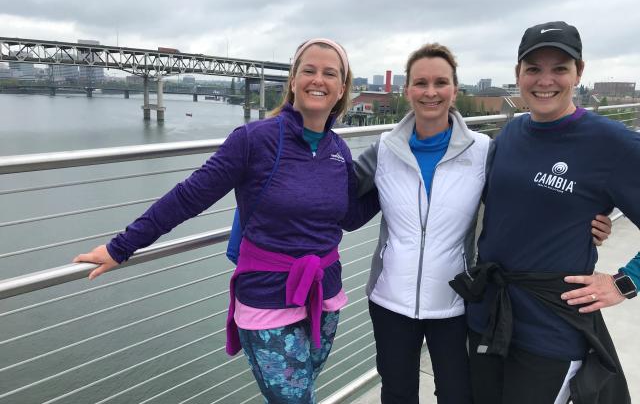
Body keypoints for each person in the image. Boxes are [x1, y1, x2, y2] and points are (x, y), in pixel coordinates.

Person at [73, 38, 379, 404]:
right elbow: (189, 196)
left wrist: (394, 183)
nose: (319, 80)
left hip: (324, 294)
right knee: (294, 400)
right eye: (309, 70)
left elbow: (348, 217)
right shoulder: (254, 140)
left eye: (330, 73)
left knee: (302, 390)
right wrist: (120, 247)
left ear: (341, 88)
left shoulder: (338, 150)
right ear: (294, 80)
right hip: (267, 297)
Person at [353, 43, 612, 404]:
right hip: (390, 300)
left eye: (441, 82)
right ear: (406, 89)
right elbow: (338, 202)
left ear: (454, 90)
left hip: (457, 301)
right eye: (421, 83)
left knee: (458, 394)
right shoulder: (382, 149)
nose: (431, 92)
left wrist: (586, 221)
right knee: (397, 393)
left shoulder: (483, 150)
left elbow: (522, 205)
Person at [461, 21, 640, 404]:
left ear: (579, 73)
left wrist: (627, 282)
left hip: (550, 328)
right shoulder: (510, 133)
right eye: (534, 69)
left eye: (559, 68)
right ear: (518, 75)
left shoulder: (613, 144)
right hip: (487, 314)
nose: (546, 80)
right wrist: (579, 220)